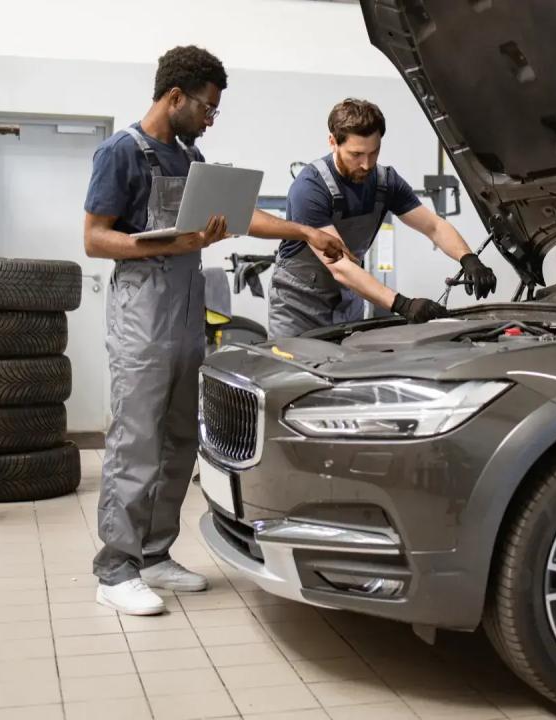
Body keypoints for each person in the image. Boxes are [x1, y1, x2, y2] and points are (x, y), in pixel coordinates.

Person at [82, 45, 347, 615]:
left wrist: (305, 230)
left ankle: (154, 554)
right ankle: (115, 569)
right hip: (142, 314)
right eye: (206, 107)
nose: (209, 118)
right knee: (136, 441)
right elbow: (94, 238)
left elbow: (245, 215)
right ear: (174, 97)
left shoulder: (188, 156)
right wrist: (167, 244)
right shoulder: (120, 154)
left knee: (180, 438)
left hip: (185, 309)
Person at [268, 98, 496, 337]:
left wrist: (469, 259)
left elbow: (434, 226)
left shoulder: (386, 182)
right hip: (299, 310)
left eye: (374, 152)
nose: (366, 164)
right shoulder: (310, 187)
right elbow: (339, 265)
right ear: (333, 142)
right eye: (356, 154)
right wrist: (402, 304)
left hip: (347, 304)